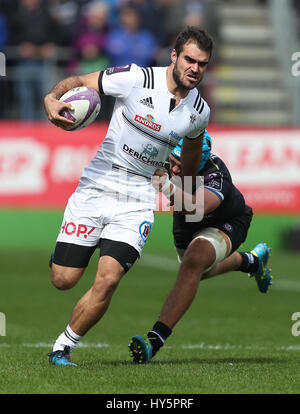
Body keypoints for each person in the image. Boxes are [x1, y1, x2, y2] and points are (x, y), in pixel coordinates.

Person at [43, 26, 214, 366]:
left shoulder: (199, 112)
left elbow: (192, 157)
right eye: (190, 60)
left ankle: (62, 348)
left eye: (203, 64)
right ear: (174, 56)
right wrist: (52, 97)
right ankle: (79, 246)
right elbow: (79, 80)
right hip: (97, 184)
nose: (195, 68)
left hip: (137, 197)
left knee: (108, 280)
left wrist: (181, 176)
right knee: (63, 279)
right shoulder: (136, 78)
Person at [129, 132, 272, 364]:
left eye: (181, 165)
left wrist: (166, 186)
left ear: (199, 160)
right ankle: (251, 261)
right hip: (186, 224)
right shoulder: (164, 156)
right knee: (197, 271)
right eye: (172, 163)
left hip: (227, 220)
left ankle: (153, 341)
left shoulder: (216, 174)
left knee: (194, 261)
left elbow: (199, 207)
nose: (174, 169)